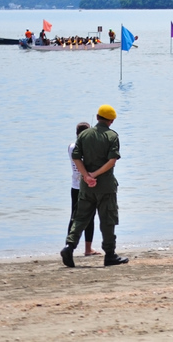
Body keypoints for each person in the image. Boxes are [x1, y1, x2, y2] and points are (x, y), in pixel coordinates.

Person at [60, 105, 128, 267]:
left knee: (81, 217)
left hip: (85, 186)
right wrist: (95, 175)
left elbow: (76, 157)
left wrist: (86, 176)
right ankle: (110, 254)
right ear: (111, 121)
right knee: (107, 219)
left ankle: (69, 247)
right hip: (105, 185)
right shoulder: (112, 136)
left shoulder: (83, 135)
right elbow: (112, 161)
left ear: (97, 117)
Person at [68, 122, 100, 256]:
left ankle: (68, 246)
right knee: (90, 217)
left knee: (74, 217)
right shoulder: (87, 148)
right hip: (86, 186)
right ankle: (88, 248)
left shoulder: (71, 147)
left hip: (75, 186)